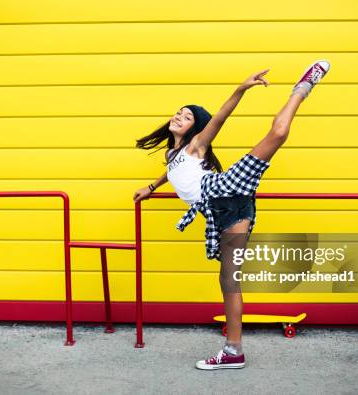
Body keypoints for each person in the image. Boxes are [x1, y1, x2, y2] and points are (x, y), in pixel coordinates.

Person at [133, 60, 330, 369]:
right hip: (223, 213)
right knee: (229, 280)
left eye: (187, 116)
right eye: (179, 112)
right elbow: (172, 173)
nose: (179, 116)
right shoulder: (172, 154)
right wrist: (151, 187)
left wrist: (240, 88)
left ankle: (302, 88)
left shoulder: (197, 145)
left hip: (224, 186)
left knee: (277, 134)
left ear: (196, 128)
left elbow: (221, 117)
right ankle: (233, 351)